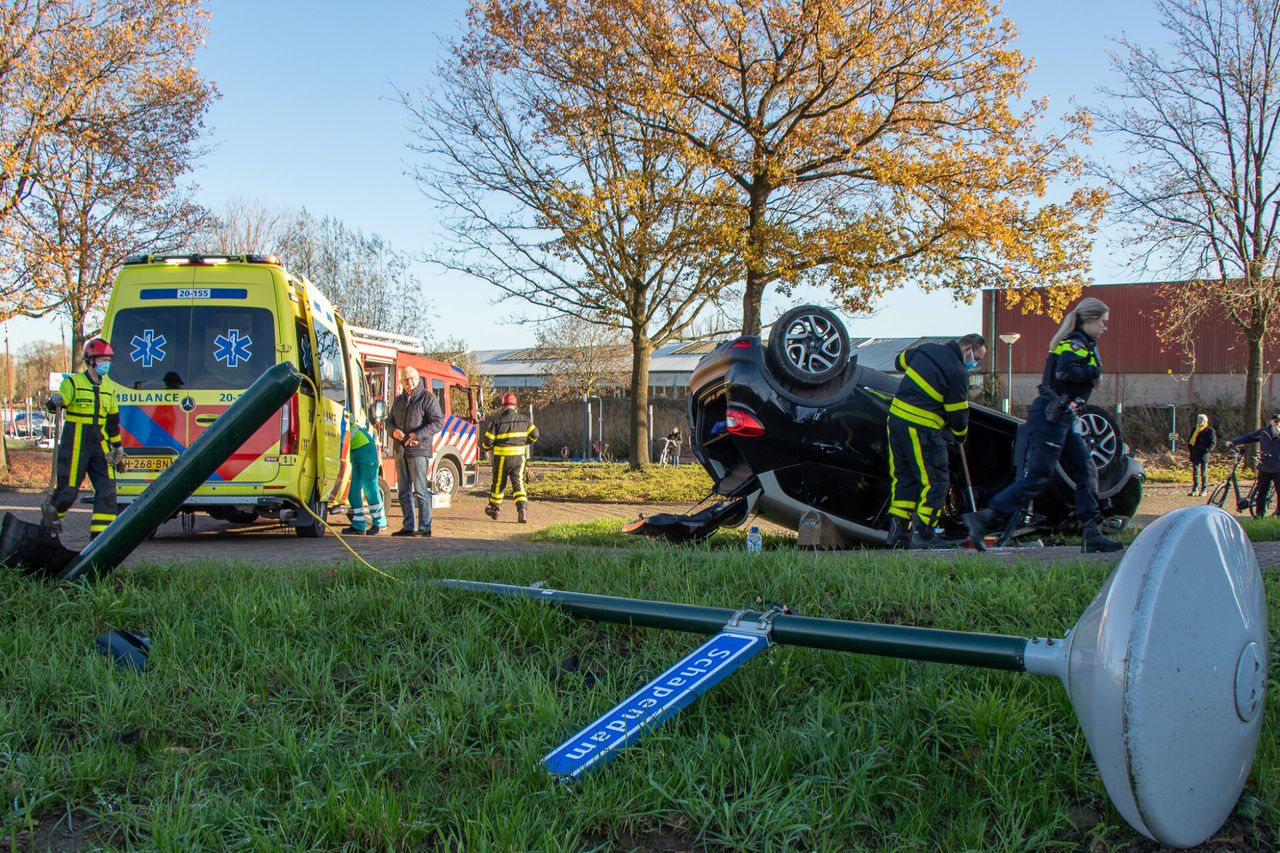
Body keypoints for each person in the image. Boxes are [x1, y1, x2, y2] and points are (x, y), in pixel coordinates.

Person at [963, 297, 1123, 553]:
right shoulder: (1075, 343)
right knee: (1038, 477)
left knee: (1086, 469)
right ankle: (984, 518)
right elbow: (1065, 372)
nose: (1105, 327)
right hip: (1051, 418)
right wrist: (1093, 374)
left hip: (1064, 417)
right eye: (1103, 322)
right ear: (1089, 320)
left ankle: (1091, 531)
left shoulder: (1082, 343)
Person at [885, 332, 987, 549]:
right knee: (937, 481)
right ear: (967, 349)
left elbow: (899, 362)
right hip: (923, 427)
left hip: (896, 420)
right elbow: (958, 415)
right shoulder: (958, 373)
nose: (974, 364)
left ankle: (897, 534)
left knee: (905, 479)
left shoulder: (928, 349)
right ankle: (924, 534)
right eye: (976, 359)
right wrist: (960, 436)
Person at [44, 338, 125, 539]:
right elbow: (57, 402)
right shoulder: (72, 383)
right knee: (68, 492)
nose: (106, 364)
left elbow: (113, 423)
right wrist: (55, 401)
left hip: (100, 445)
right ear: (90, 360)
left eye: (108, 360)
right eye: (102, 360)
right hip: (76, 444)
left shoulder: (109, 389)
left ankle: (101, 540)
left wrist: (118, 448)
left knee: (107, 491)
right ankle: (45, 532)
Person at [387, 366, 444, 537]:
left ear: (418, 378)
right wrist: (392, 431)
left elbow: (437, 422)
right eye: (405, 379)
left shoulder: (428, 398)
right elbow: (388, 421)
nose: (408, 382)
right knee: (403, 490)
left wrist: (417, 435)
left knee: (420, 490)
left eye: (411, 378)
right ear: (401, 381)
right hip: (401, 450)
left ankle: (425, 528)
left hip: (419, 450)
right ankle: (408, 526)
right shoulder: (398, 401)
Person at [482, 393, 539, 522]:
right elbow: (535, 434)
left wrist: (487, 449)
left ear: (503, 406)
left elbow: (487, 441)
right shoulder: (524, 420)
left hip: (501, 459)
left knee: (498, 484)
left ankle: (494, 509)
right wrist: (525, 442)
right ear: (515, 406)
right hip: (519, 459)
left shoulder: (496, 422)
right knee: (519, 484)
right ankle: (522, 511)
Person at [1225, 415, 1280, 516]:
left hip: (1278, 469)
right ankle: (1259, 517)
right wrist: (1233, 442)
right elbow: (1249, 437)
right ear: (1271, 422)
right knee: (1262, 493)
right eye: (1276, 421)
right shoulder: (1264, 432)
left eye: (1279, 422)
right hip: (1265, 467)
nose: (1277, 424)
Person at [341, 420, 386, 535]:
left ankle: (379, 522)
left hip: (366, 449)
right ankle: (358, 524)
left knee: (369, 487)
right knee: (353, 489)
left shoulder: (342, 422)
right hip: (355, 451)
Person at [1187, 413, 1217, 496]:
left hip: (1204, 454)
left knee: (1203, 473)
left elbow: (1212, 443)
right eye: (1198, 420)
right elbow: (1190, 441)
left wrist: (1207, 450)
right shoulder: (1195, 430)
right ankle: (1195, 489)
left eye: (1201, 420)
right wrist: (1191, 450)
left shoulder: (1210, 431)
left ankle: (1204, 489)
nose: (1199, 422)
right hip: (1195, 453)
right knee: (1195, 473)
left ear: (1205, 421)